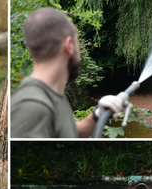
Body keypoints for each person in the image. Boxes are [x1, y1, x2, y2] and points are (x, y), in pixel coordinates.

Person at [11, 7, 123, 138]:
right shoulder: (33, 107)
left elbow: (66, 133)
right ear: (69, 45)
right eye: (77, 43)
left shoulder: (51, 95)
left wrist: (96, 115)